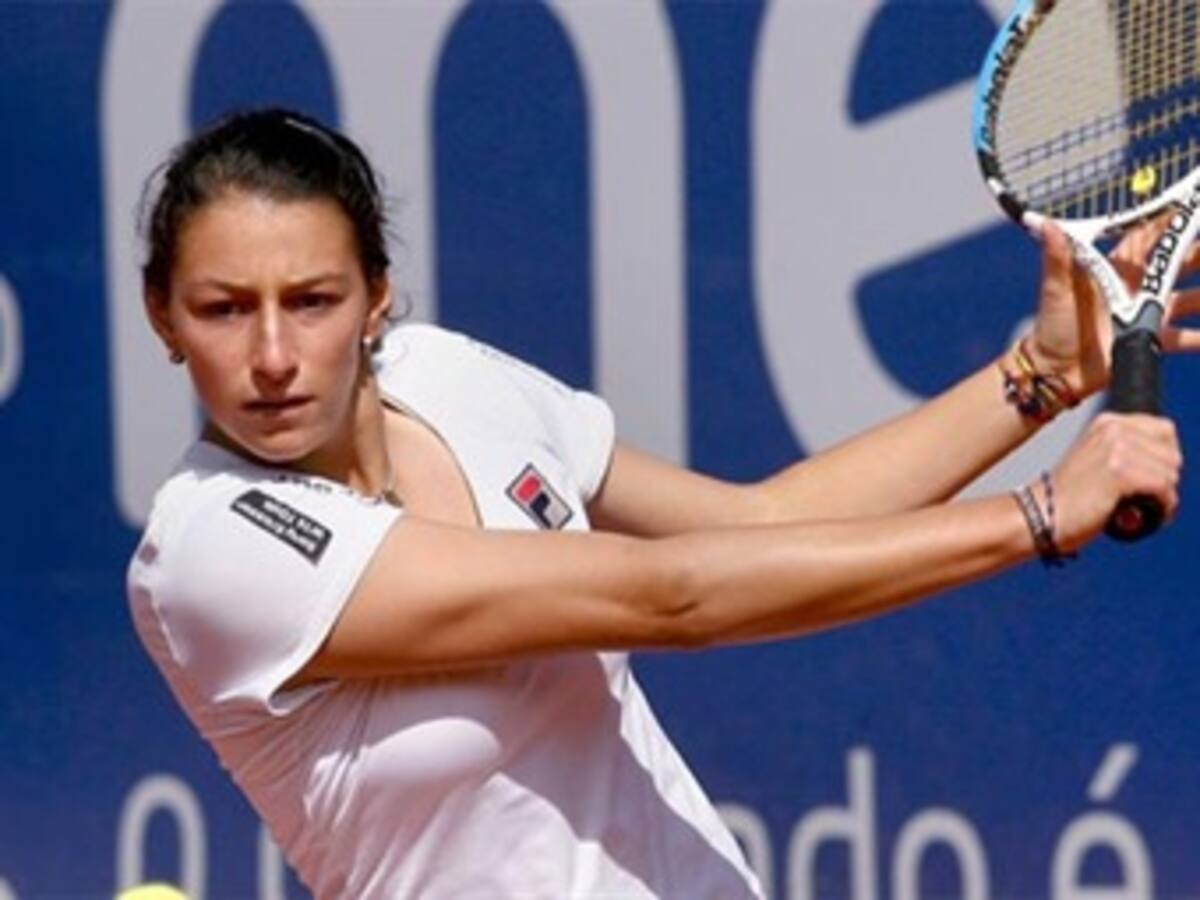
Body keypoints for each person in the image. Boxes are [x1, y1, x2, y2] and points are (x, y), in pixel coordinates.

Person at [127, 108, 1192, 899]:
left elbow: (756, 526)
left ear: (378, 295)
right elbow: (669, 596)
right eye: (224, 310)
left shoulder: (446, 373)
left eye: (312, 301)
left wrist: (1041, 379)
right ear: (163, 318)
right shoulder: (211, 552)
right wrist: (1042, 510)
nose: (273, 356)